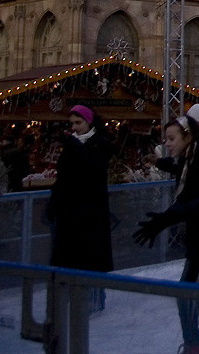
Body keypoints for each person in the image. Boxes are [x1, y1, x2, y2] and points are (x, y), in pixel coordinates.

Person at [134, 115, 199, 354]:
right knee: (184, 293)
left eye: (171, 138)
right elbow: (179, 168)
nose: (167, 144)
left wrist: (167, 218)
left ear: (188, 136)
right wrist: (159, 163)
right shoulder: (190, 158)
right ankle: (193, 344)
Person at [47, 105, 113, 312]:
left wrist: (75, 146)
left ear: (89, 122)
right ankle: (69, 295)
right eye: (72, 124)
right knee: (68, 255)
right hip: (69, 211)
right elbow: (63, 177)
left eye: (79, 123)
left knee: (91, 257)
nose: (75, 128)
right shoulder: (71, 145)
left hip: (92, 212)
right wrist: (52, 204)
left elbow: (94, 169)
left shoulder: (100, 143)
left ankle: (95, 296)